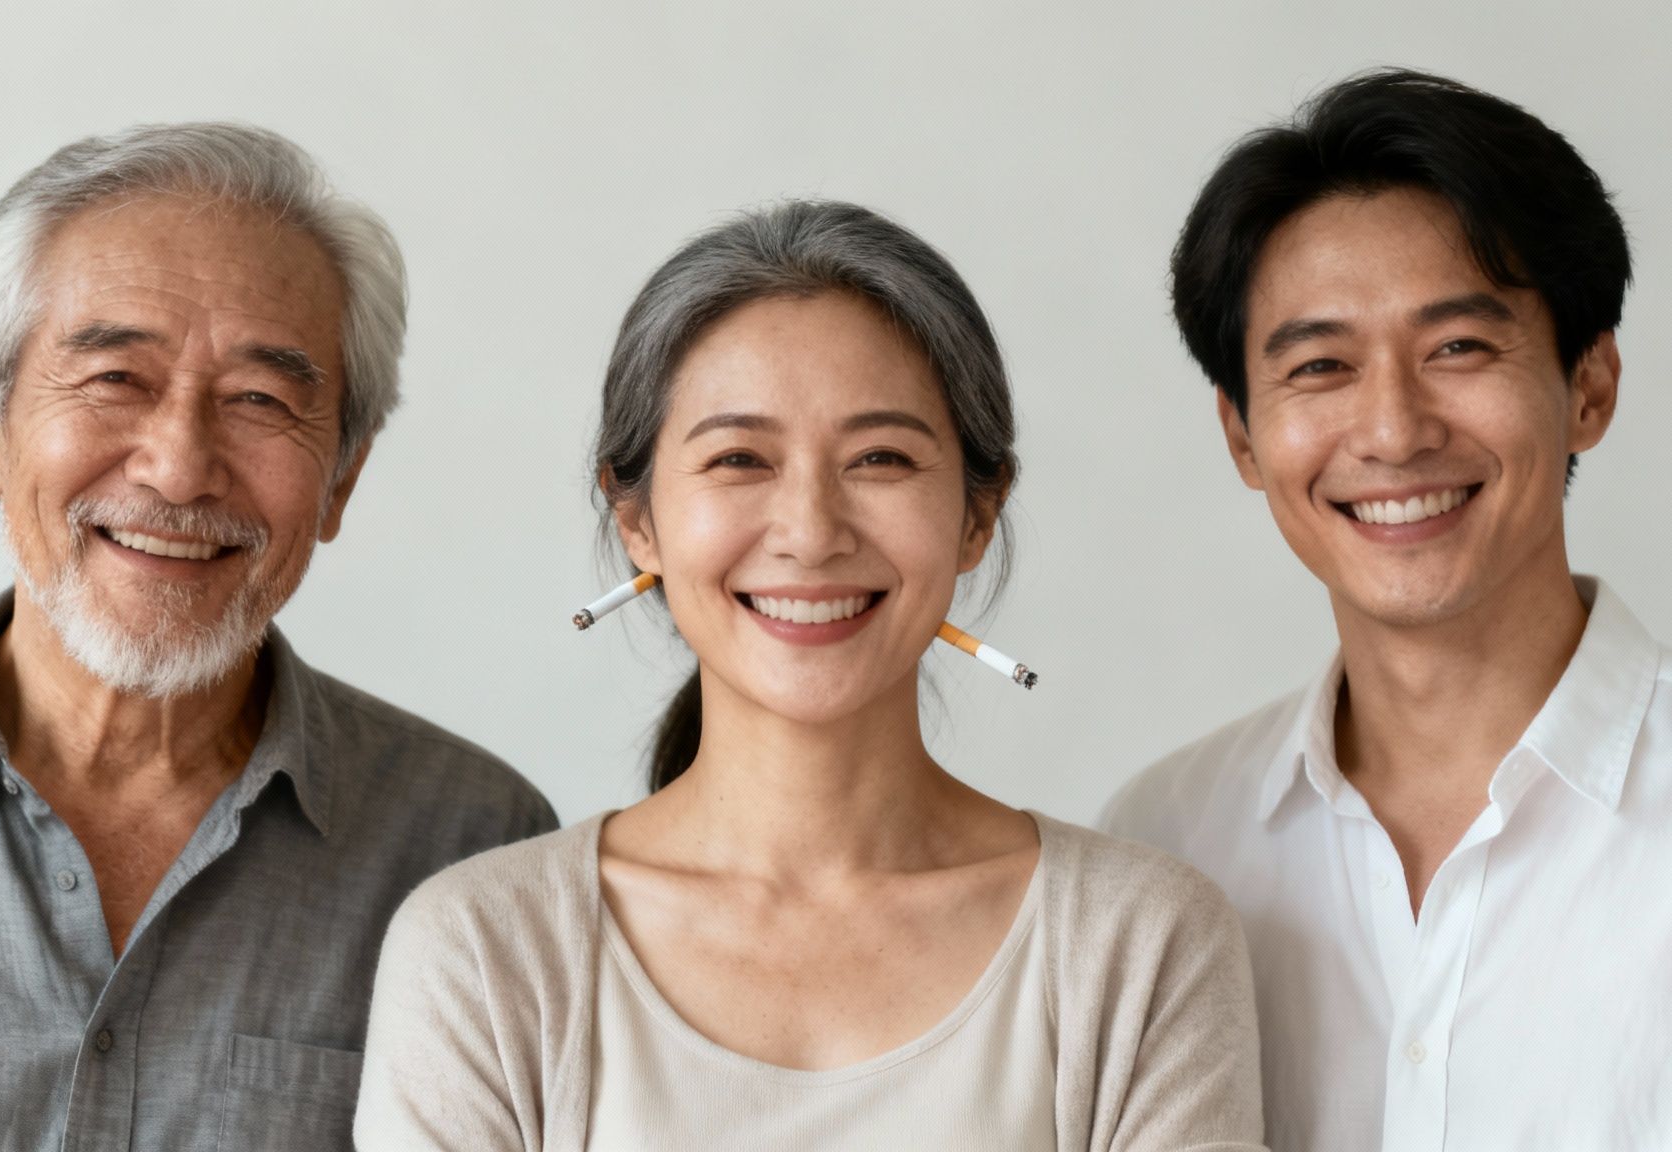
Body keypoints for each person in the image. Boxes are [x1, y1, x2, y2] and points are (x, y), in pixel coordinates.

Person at [355, 200, 1264, 1150]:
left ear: (976, 513)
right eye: (739, 458)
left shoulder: (1138, 941)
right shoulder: (486, 949)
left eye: (880, 457)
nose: (811, 532)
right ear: (639, 521)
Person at [0, 123, 555, 1150]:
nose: (179, 469)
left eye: (261, 401)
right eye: (113, 379)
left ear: (342, 479)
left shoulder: (475, 852)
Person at [1099, 69, 1672, 1150]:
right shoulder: (1165, 845)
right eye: (1319, 365)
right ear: (1241, 436)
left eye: (1457, 349)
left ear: (1588, 386)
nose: (1390, 430)